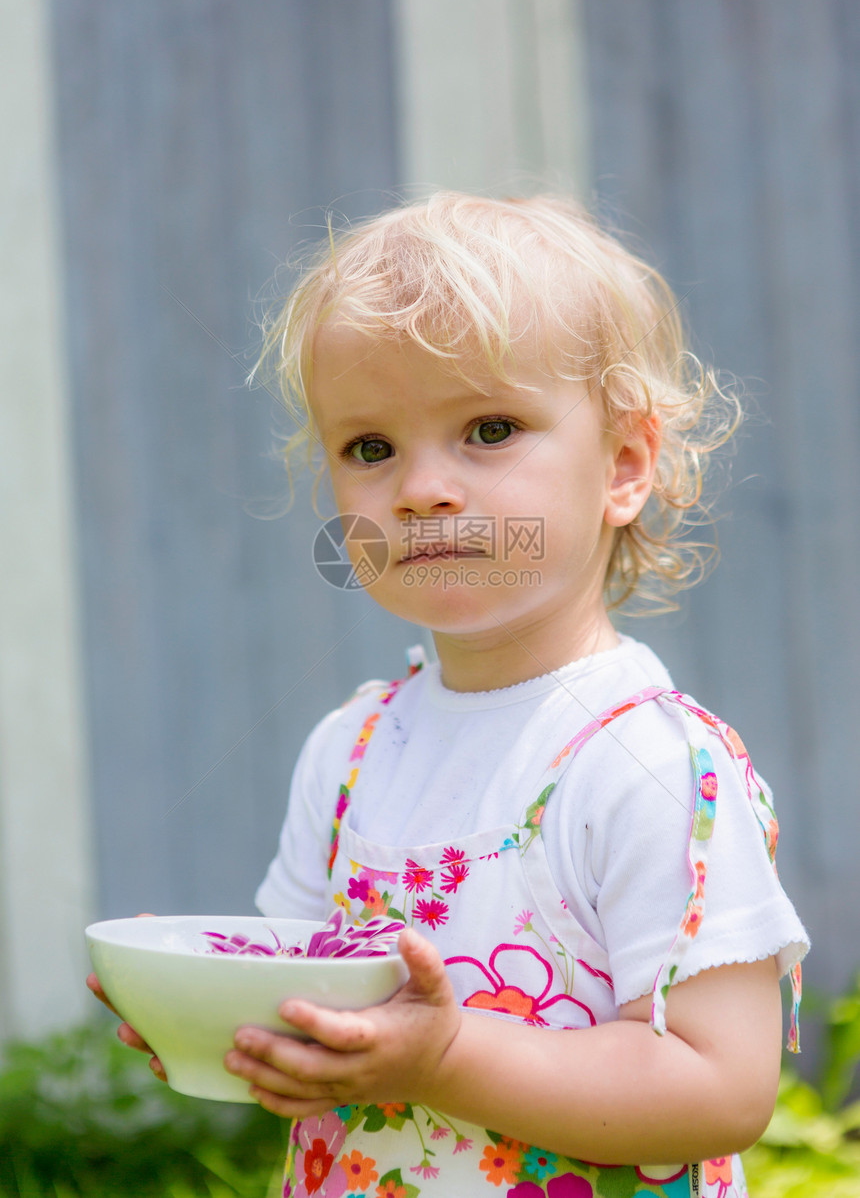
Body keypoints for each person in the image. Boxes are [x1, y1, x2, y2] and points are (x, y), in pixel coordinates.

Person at [90, 193, 809, 1197]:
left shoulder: (646, 766)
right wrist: (227, 1026)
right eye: (370, 448)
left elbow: (716, 1087)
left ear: (624, 466)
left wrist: (443, 1057)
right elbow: (306, 993)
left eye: (488, 428)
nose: (420, 490)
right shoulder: (349, 751)